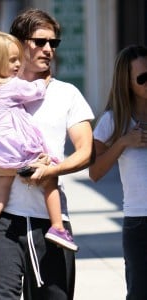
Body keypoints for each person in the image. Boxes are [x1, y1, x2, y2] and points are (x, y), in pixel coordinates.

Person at [0, 8, 94, 300]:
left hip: (51, 221)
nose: (48, 49)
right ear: (19, 43)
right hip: (4, 221)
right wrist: (16, 169)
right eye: (40, 41)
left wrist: (50, 171)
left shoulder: (67, 93)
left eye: (53, 43)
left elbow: (86, 152)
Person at [89, 45, 147, 300]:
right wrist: (123, 142)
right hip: (139, 219)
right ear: (127, 82)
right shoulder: (113, 121)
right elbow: (94, 172)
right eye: (142, 78)